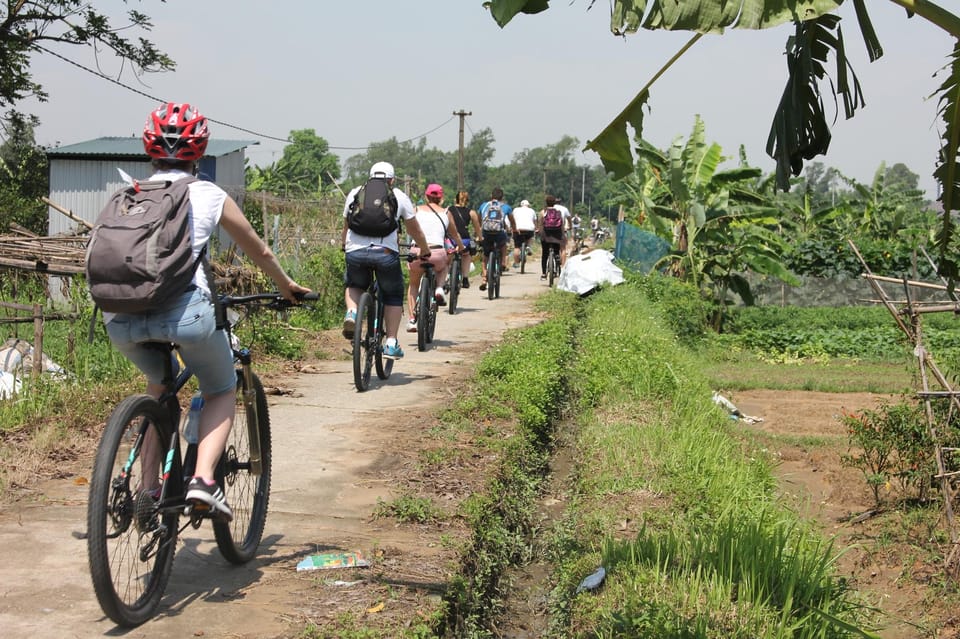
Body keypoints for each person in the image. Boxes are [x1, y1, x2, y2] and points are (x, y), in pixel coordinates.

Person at [102, 102, 312, 520]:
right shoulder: (209, 194)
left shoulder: (128, 194)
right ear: (198, 153)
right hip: (187, 316)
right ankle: (202, 482)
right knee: (219, 387)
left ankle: (147, 489)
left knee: (157, 388)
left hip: (120, 319)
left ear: (150, 150)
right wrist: (286, 287)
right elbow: (260, 248)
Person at [341, 161, 431, 359]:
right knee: (392, 295)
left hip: (355, 251)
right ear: (391, 179)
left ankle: (352, 313)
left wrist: (343, 246)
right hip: (385, 254)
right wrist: (424, 249)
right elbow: (413, 229)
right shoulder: (398, 195)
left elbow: (347, 224)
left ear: (370, 176)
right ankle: (391, 343)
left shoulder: (356, 192)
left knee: (354, 284)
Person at [406, 184, 465, 332]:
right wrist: (461, 247)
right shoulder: (446, 213)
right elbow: (455, 234)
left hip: (418, 253)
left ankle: (412, 320)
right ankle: (439, 288)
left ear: (426, 196)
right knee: (444, 266)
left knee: (413, 284)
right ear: (441, 198)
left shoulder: (416, 210)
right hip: (437, 253)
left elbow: (409, 228)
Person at [477, 187, 515, 291]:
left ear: (491, 196)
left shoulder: (484, 205)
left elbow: (479, 219)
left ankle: (484, 279)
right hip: (499, 232)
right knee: (503, 244)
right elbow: (512, 220)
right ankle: (503, 262)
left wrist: (479, 230)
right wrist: (515, 229)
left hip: (486, 232)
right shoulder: (506, 207)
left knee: (485, 256)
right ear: (502, 197)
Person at [446, 190, 482, 289]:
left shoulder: (448, 210)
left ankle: (445, 277)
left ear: (455, 199)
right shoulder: (471, 212)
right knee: (467, 255)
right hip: (465, 240)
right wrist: (480, 237)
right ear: (467, 201)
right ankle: (465, 278)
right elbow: (477, 228)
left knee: (447, 257)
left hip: (449, 239)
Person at [538, 194, 567, 279]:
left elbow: (540, 225)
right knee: (556, 250)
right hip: (557, 235)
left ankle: (544, 274)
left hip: (546, 235)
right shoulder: (558, 212)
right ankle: (557, 260)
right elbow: (561, 225)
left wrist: (540, 232)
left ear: (546, 203)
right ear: (554, 203)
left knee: (544, 254)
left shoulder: (543, 212)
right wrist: (563, 235)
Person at [510, 198, 537, 269]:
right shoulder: (532, 211)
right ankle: (528, 247)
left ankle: (516, 263)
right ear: (528, 205)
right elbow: (534, 222)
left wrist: (511, 228)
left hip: (518, 229)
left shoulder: (515, 209)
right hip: (529, 229)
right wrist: (536, 228)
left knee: (516, 247)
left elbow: (512, 220)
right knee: (531, 237)